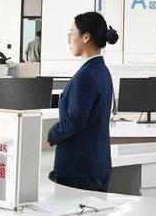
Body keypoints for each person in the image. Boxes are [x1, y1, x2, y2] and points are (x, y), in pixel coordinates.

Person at [47, 12, 118, 193]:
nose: (69, 39)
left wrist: (52, 134)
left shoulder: (86, 75)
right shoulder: (101, 70)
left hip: (79, 169)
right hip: (95, 165)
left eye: (71, 33)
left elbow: (75, 122)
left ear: (86, 37)